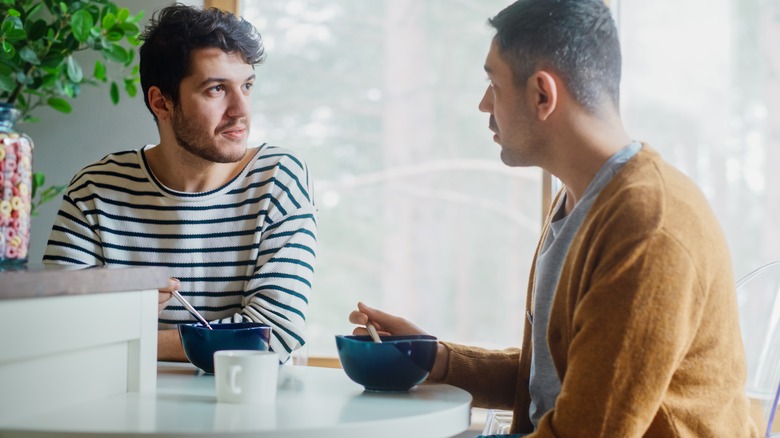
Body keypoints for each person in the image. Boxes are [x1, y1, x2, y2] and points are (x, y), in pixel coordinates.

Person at [349, 0, 757, 436]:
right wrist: (435, 358)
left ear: (543, 94)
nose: (483, 104)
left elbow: (590, 430)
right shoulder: (577, 201)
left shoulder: (647, 225)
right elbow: (555, 383)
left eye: (493, 83)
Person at [43, 4, 317, 364]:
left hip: (243, 410)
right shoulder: (95, 190)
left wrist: (123, 334)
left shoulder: (279, 179)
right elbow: (53, 331)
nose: (241, 110)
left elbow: (274, 335)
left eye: (247, 86)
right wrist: (109, 324)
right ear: (162, 102)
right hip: (119, 410)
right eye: (217, 89)